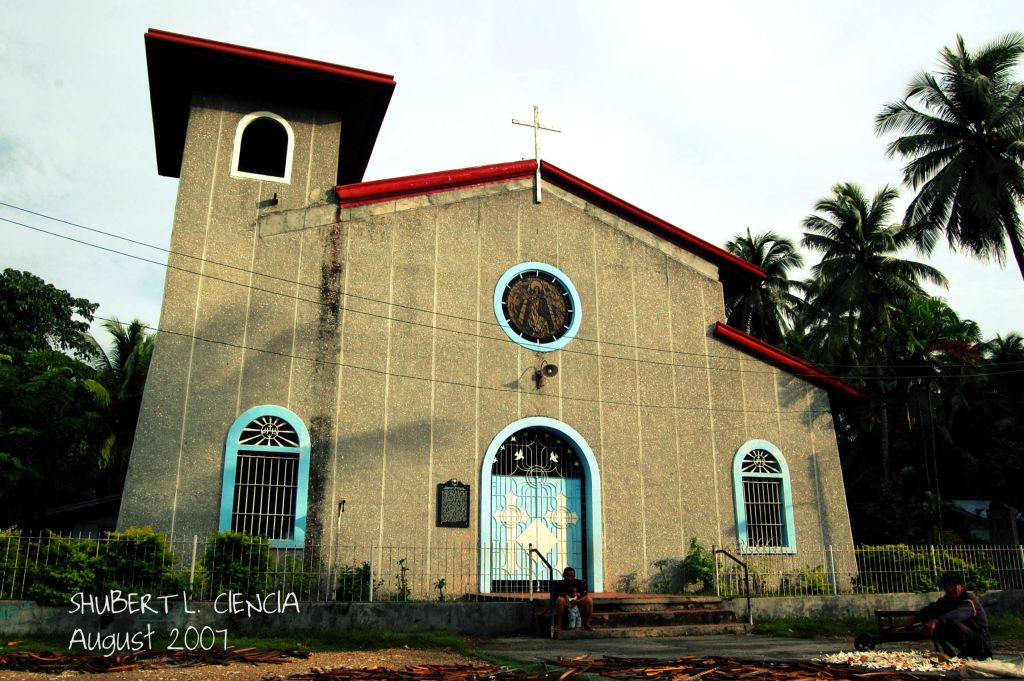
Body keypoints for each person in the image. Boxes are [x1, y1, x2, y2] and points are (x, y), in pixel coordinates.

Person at [904, 572, 992, 659]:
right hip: (966, 639)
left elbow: (957, 615)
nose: (949, 590)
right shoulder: (948, 600)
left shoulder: (969, 600)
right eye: (946, 587)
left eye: (953, 586)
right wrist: (915, 618)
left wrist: (936, 621)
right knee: (932, 619)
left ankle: (970, 653)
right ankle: (950, 655)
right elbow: (933, 607)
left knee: (948, 622)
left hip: (981, 645)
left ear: (961, 586)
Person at [551, 566, 594, 630]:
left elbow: (585, 595)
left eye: (572, 576)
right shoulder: (560, 584)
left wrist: (577, 601)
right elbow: (554, 598)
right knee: (560, 600)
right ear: (563, 576)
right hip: (566, 603)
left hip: (577, 603)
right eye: (567, 576)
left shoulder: (578, 583)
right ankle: (559, 624)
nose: (570, 578)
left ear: (574, 576)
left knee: (589, 600)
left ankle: (586, 623)